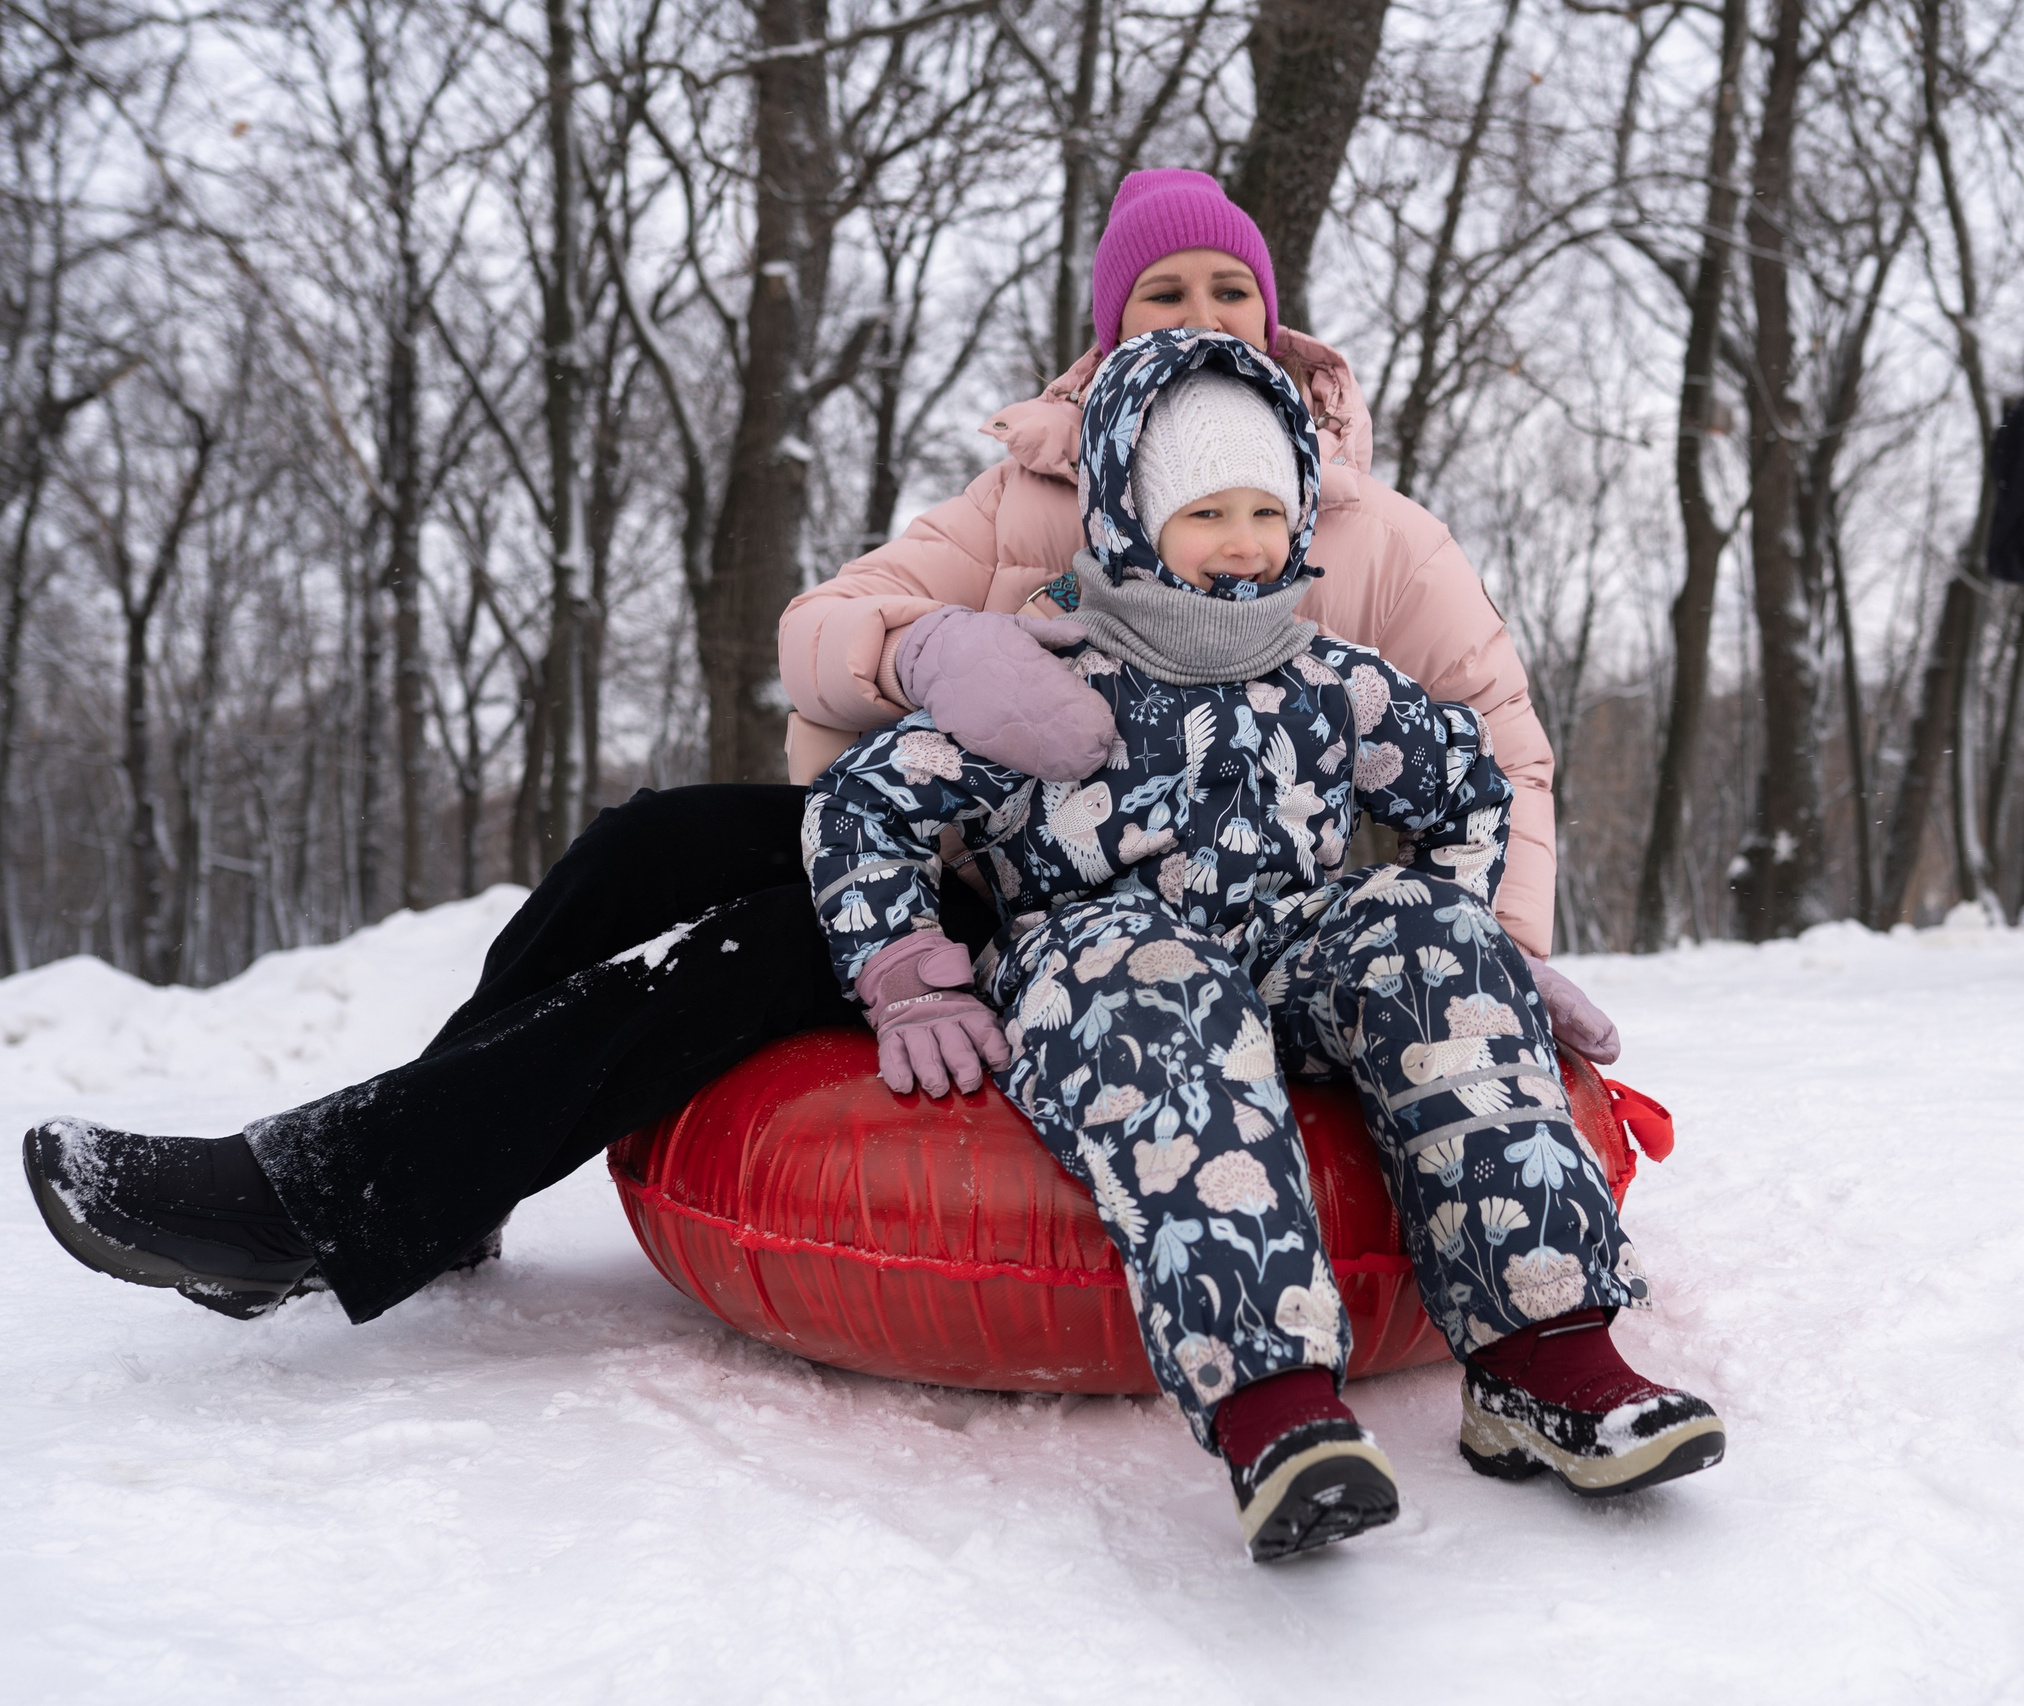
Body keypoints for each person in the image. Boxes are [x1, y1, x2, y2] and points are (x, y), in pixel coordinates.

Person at [19, 176, 1623, 1326]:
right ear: (1106, 322)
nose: (1201, 317)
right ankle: (438, 1171)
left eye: (1229, 291)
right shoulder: (1025, 493)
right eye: (1163, 293)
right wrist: (924, 646)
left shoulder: (1364, 530)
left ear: (1272, 317)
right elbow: (818, 629)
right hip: (952, 840)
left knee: (743, 954)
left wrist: (1498, 948)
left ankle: (312, 1197)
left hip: (1146, 925)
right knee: (648, 840)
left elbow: (1500, 751)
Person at [808, 328, 1721, 1562]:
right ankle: (1275, 1406)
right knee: (1148, 968)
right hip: (1102, 957)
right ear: (1129, 515)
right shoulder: (1053, 669)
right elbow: (860, 807)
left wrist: (1465, 928)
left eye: (1263, 509)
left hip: (1287, 945)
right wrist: (909, 975)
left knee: (1416, 927)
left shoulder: (1330, 679)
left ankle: (1548, 1358)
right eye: (1205, 512)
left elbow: (1468, 786)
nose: (1242, 540)